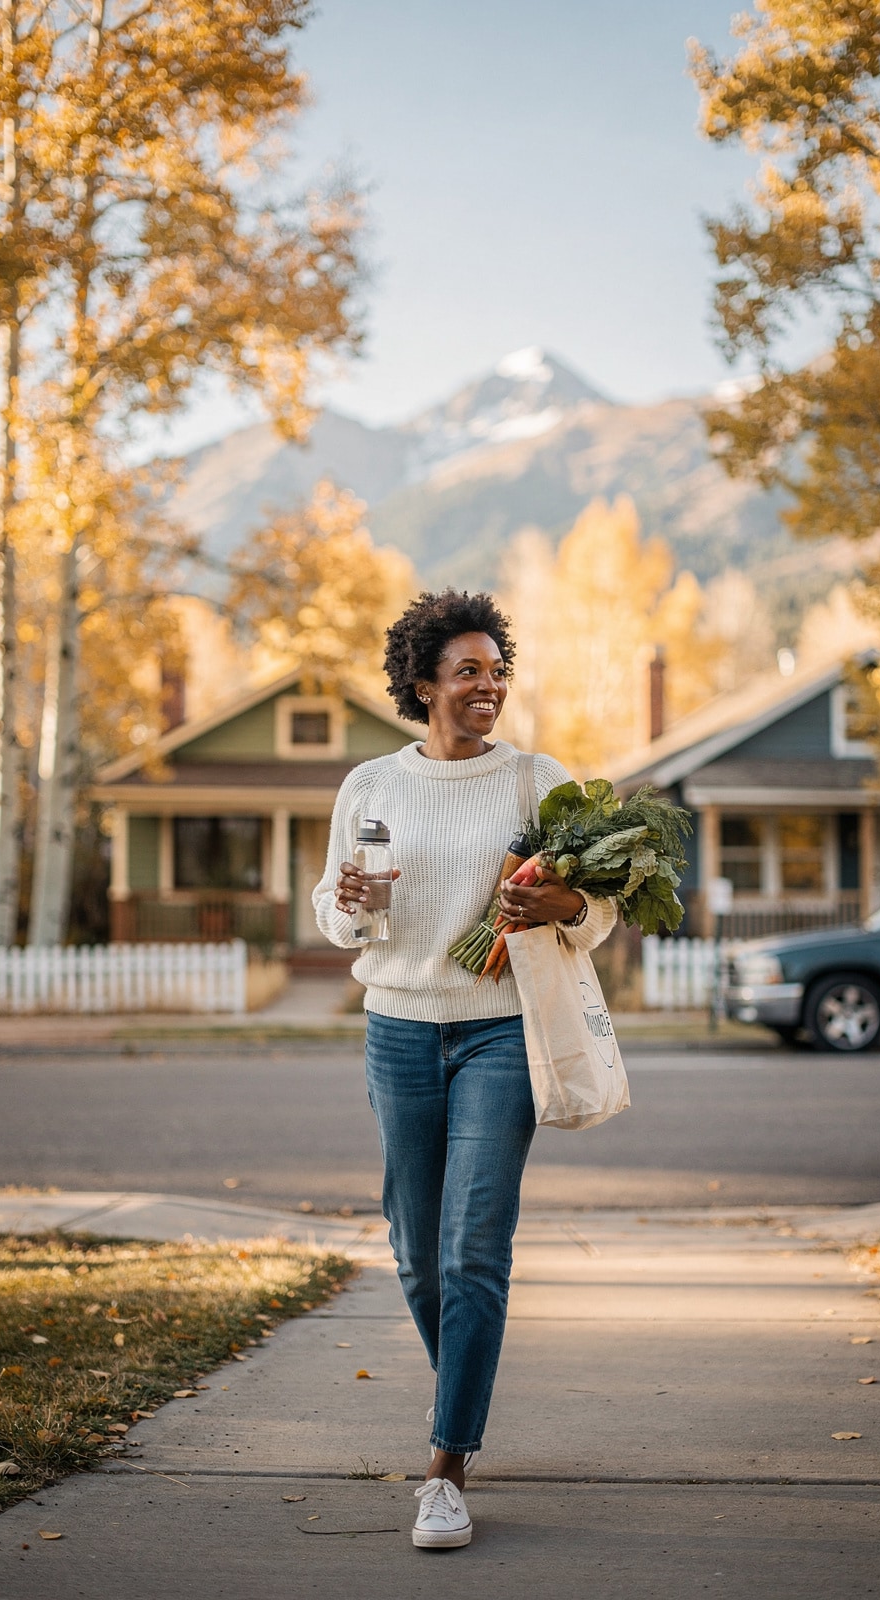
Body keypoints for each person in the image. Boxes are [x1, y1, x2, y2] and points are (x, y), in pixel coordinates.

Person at [312, 589, 616, 1550]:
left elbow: (597, 911)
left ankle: (444, 1467)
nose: (489, 687)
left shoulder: (536, 781)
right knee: (414, 1251)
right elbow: (337, 910)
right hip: (399, 1027)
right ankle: (467, 1388)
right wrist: (351, 902)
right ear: (422, 683)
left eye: (497, 670)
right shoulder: (370, 785)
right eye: (468, 672)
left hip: (498, 1034)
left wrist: (553, 907)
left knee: (473, 1249)